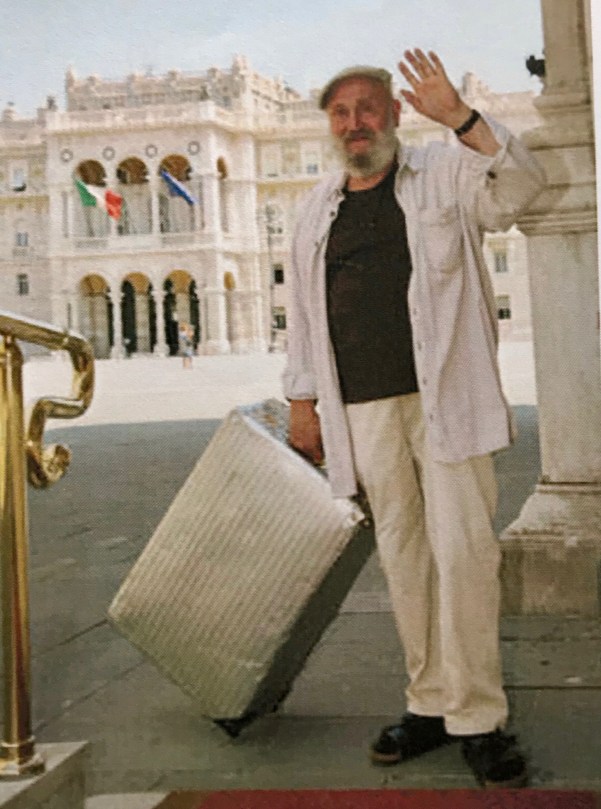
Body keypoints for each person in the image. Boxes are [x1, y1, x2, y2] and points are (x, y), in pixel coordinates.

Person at [283, 49, 545, 788]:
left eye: (367, 107)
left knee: (465, 553)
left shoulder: (444, 172)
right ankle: (429, 702)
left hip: (445, 401)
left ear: (395, 113)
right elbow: (302, 313)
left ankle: (478, 717)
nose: (354, 122)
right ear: (329, 127)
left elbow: (521, 189)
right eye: (340, 113)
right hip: (361, 408)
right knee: (404, 556)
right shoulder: (316, 208)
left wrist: (461, 117)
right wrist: (301, 401)